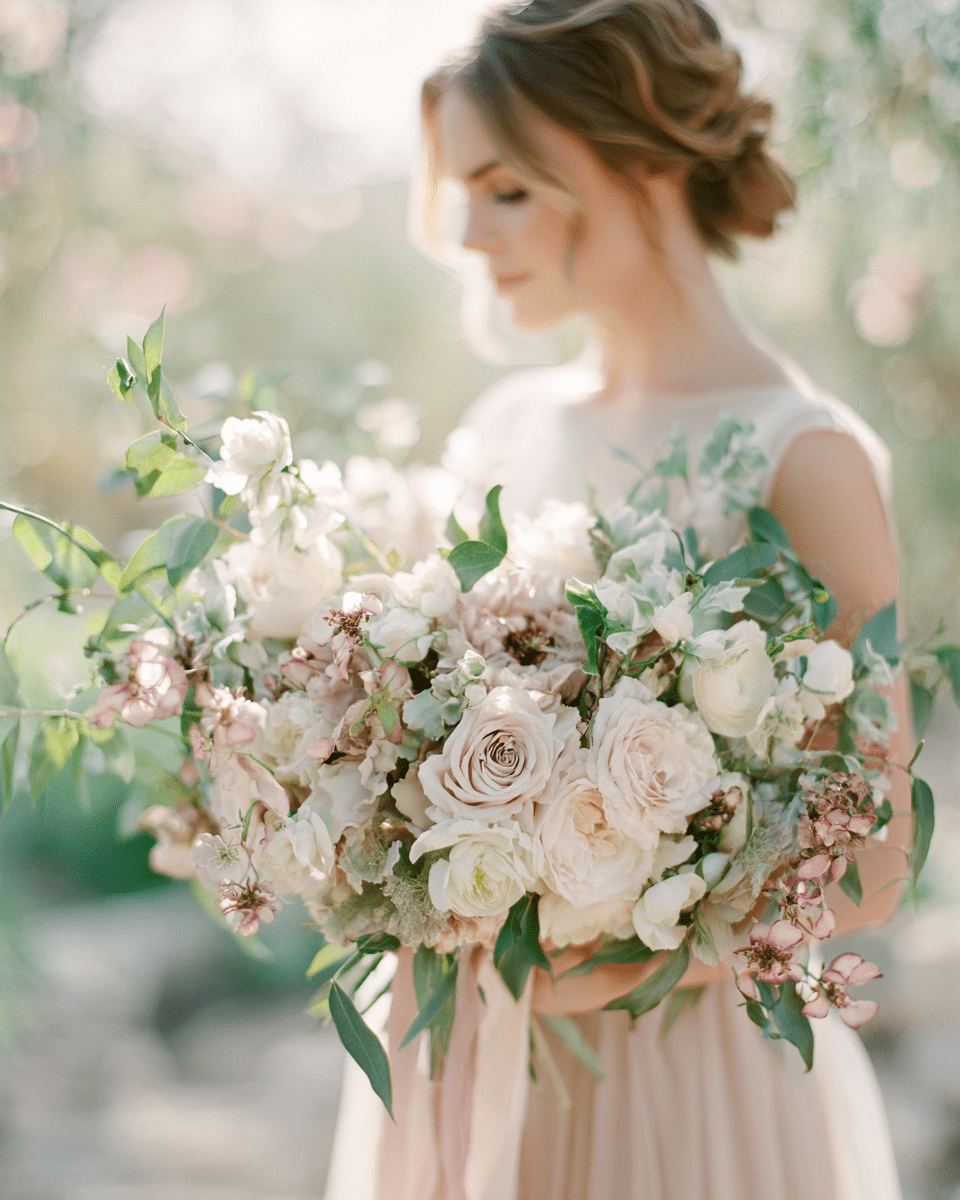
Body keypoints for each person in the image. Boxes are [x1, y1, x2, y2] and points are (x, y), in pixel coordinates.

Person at [325, 3, 911, 1197]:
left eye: (506, 188)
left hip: (681, 1085)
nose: (468, 233)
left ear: (637, 155)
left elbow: (880, 860)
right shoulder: (504, 429)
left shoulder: (803, 460)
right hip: (465, 1053)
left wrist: (617, 964)